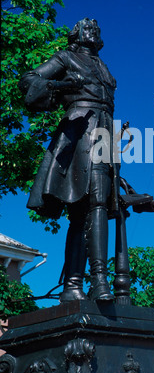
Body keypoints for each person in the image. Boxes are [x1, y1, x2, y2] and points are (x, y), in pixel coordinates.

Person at [19, 18, 119, 302]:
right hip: (79, 132)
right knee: (82, 208)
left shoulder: (104, 67)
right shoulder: (66, 57)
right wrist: (63, 85)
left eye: (96, 28)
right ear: (76, 33)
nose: (93, 30)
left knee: (97, 203)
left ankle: (91, 282)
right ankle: (83, 284)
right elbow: (30, 80)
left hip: (104, 133)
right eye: (87, 27)